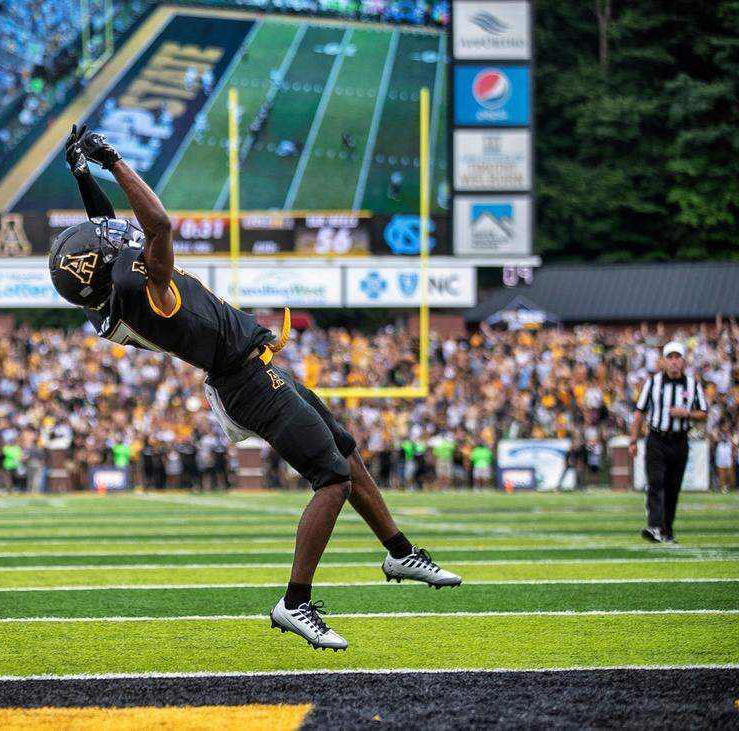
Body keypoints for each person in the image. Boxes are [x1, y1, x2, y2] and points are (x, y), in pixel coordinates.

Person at [48, 125, 461, 652]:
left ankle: (398, 550)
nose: (108, 237)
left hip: (244, 372)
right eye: (103, 248)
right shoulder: (149, 288)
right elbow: (157, 224)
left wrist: (82, 174)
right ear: (108, 269)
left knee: (346, 454)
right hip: (246, 380)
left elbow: (105, 227)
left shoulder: (105, 302)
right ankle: (295, 602)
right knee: (332, 479)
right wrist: (113, 161)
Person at [629, 341, 708, 544]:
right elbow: (639, 413)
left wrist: (687, 413)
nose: (674, 362)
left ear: (683, 361)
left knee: (673, 487)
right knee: (655, 482)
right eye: (670, 357)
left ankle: (667, 529)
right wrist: (633, 440)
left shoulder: (693, 384)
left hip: (679, 440)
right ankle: (654, 526)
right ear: (663, 361)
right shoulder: (653, 383)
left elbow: (704, 413)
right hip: (656, 438)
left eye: (677, 357)